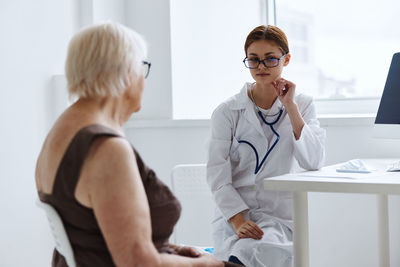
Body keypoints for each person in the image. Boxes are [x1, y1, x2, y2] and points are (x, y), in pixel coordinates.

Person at [35, 21, 239, 267]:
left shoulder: (63, 129)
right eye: (142, 67)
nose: (143, 79)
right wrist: (208, 264)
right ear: (125, 73)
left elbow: (95, 232)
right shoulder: (107, 149)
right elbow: (138, 262)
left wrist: (169, 249)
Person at [206, 25, 326, 267]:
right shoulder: (227, 111)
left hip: (281, 217)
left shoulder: (302, 104)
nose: (261, 67)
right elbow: (217, 175)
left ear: (286, 59)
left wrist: (290, 107)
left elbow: (313, 161)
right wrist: (238, 219)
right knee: (245, 250)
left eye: (270, 59)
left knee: (261, 249)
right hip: (238, 216)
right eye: (254, 60)